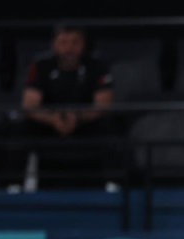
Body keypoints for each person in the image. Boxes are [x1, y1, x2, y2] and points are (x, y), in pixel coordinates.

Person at [21, 24, 114, 189]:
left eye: (74, 42)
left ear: (83, 44)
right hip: (50, 127)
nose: (69, 48)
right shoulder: (41, 65)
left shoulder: (97, 66)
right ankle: (15, 185)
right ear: (54, 44)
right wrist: (53, 120)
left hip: (85, 127)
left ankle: (110, 184)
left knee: (111, 125)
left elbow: (103, 104)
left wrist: (77, 118)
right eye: (63, 42)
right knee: (20, 127)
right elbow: (29, 105)